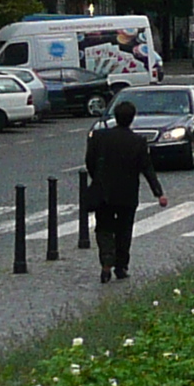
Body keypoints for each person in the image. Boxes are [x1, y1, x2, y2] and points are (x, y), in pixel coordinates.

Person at [82, 98, 166, 282]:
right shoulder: (137, 141)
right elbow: (147, 168)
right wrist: (158, 193)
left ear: (116, 117)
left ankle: (106, 262)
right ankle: (121, 266)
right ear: (132, 118)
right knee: (124, 231)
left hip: (103, 191)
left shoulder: (99, 136)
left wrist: (97, 177)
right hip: (127, 194)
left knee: (103, 228)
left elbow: (90, 161)